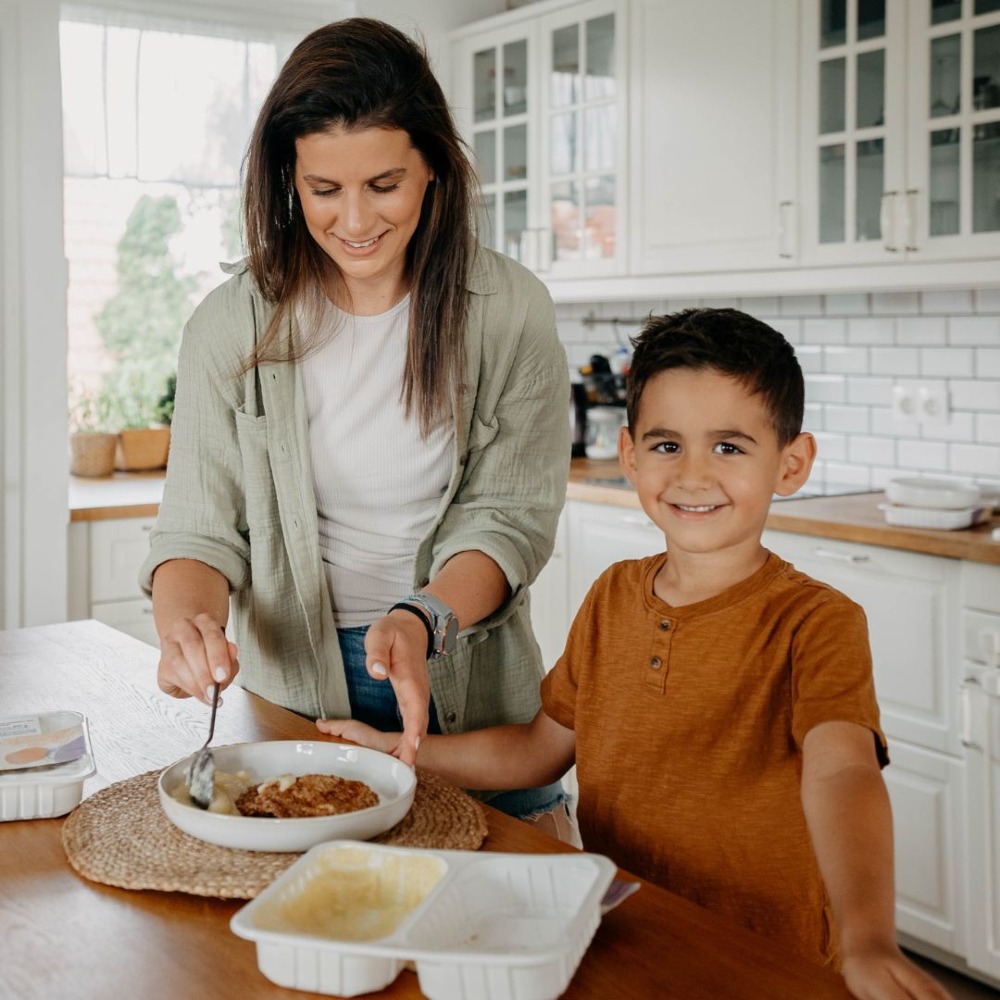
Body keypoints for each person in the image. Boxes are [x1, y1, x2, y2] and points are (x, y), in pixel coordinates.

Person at [319, 308, 953, 999]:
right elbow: (537, 750)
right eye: (667, 444)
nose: (693, 474)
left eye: (730, 447)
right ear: (629, 455)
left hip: (769, 965)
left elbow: (843, 773)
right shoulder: (614, 595)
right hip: (624, 939)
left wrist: (867, 937)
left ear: (791, 463)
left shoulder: (817, 622)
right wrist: (399, 751)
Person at [139, 17, 574, 837]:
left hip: (469, 682)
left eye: (384, 183)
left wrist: (420, 620)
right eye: (324, 189)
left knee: (510, 885)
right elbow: (198, 531)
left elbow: (509, 520)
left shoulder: (509, 310)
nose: (355, 219)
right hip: (294, 693)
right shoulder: (231, 326)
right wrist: (186, 628)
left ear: (433, 167)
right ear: (288, 179)